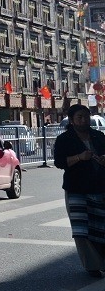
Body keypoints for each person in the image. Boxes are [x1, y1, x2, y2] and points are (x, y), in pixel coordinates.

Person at [53, 103, 105, 278]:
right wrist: (79, 158)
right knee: (82, 230)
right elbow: (59, 162)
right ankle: (92, 265)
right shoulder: (64, 139)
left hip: (100, 187)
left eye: (86, 116)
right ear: (72, 121)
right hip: (76, 189)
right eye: (79, 117)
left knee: (101, 227)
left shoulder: (99, 136)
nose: (83, 120)